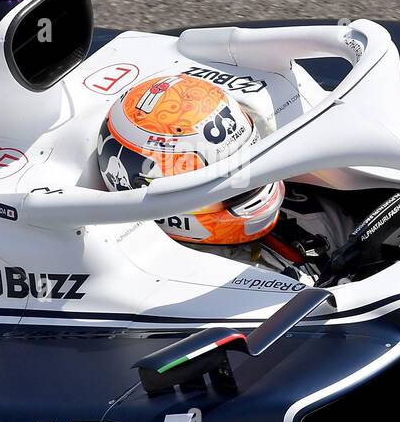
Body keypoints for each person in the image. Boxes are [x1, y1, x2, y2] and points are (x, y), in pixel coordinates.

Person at [97, 73, 352, 284]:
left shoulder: (317, 215)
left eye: (243, 159)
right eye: (214, 181)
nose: (243, 182)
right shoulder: (180, 284)